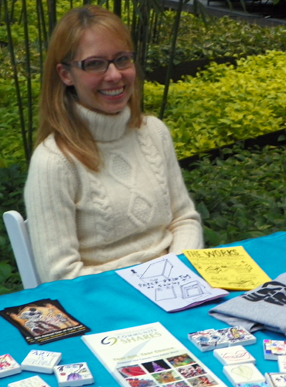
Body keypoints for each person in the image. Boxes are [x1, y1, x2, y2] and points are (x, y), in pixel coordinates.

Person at [24, 5, 203, 283]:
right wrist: (152, 283)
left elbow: (184, 220)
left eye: (122, 59)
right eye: (94, 63)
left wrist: (177, 275)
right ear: (65, 74)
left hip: (179, 287)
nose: (114, 75)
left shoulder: (154, 132)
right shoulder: (55, 162)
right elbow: (61, 276)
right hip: (108, 306)